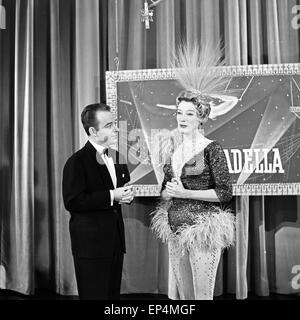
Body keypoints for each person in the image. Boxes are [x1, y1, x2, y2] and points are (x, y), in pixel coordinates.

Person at [151, 43, 236, 300]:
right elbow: (167, 192)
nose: (182, 118)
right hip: (175, 229)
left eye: (189, 113)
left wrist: (186, 194)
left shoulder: (212, 149)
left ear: (201, 118)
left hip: (202, 231)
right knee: (185, 298)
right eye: (179, 113)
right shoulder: (173, 149)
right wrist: (167, 193)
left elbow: (224, 194)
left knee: (202, 297)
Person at [62, 103, 134, 300]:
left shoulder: (117, 157)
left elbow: (120, 191)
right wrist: (113, 195)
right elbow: (73, 201)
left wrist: (125, 195)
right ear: (93, 131)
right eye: (110, 125)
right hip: (91, 247)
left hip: (114, 244)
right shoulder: (76, 161)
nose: (117, 129)